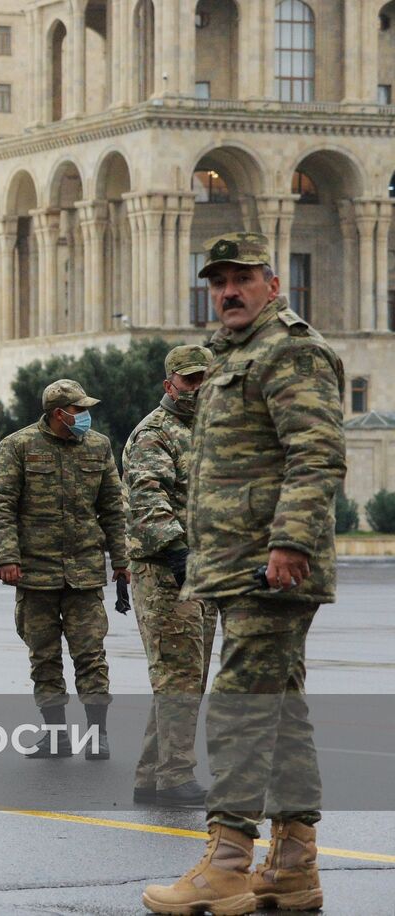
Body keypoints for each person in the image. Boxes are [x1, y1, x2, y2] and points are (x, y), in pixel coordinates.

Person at [144, 233, 345, 915]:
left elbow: (315, 455)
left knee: (237, 705)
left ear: (273, 284)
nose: (228, 291)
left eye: (243, 279)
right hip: (235, 566)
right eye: (219, 280)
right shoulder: (233, 355)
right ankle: (292, 867)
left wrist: (289, 542)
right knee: (282, 712)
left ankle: (226, 864)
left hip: (270, 567)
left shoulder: (290, 351)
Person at [0, 378, 128, 761]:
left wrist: (122, 560)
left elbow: (114, 507)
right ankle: (56, 736)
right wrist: (7, 557)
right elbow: (0, 506)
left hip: (84, 572)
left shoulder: (98, 446)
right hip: (35, 573)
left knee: (91, 654)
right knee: (44, 656)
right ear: (57, 413)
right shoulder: (18, 446)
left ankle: (98, 735)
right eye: (78, 410)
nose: (85, 416)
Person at [122, 346, 218, 809]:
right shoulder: (153, 434)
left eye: (205, 379)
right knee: (178, 676)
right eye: (189, 381)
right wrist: (178, 552)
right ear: (170, 385)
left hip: (205, 571)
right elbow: (146, 497)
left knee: (186, 677)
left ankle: (152, 777)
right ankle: (176, 775)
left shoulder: (210, 432)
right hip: (166, 570)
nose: (197, 388)